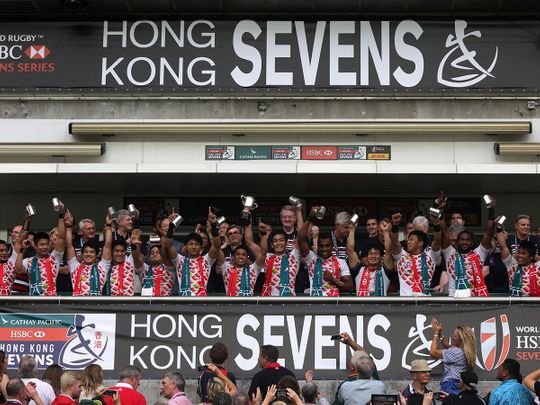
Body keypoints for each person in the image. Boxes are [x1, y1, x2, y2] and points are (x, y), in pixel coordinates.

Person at [164, 208, 222, 296]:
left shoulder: (206, 260)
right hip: (183, 302)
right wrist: (171, 226)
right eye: (190, 244)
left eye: (197, 244)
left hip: (202, 302)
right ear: (186, 247)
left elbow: (217, 246)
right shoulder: (179, 260)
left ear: (200, 247)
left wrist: (213, 225)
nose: (194, 247)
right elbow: (167, 246)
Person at [297, 208, 354, 296]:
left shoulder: (341, 262)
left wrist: (334, 280)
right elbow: (301, 239)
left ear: (332, 247)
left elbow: (350, 287)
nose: (324, 249)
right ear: (317, 246)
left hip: (334, 305)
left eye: (327, 246)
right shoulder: (312, 260)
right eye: (321, 246)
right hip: (315, 304)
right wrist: (310, 218)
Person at [441, 206, 494, 297]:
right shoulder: (450, 253)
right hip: (454, 299)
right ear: (457, 242)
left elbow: (489, 232)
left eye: (467, 240)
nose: (464, 242)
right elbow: (443, 231)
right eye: (461, 239)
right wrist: (440, 210)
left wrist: (491, 209)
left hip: (476, 298)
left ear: (472, 242)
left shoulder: (479, 253)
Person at [389, 213, 442, 296]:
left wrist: (436, 223)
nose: (408, 241)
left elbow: (438, 240)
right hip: (405, 305)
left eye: (411, 239)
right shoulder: (401, 256)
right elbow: (394, 240)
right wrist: (395, 224)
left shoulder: (431, 256)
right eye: (408, 239)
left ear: (420, 243)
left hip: (425, 304)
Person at [14, 210, 65, 296]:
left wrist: (60, 214)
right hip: (34, 302)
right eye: (41, 244)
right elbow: (18, 270)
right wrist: (22, 250)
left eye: (46, 244)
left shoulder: (54, 258)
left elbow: (61, 237)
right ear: (35, 246)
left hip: (52, 301)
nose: (45, 247)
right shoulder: (29, 261)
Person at [64, 210, 111, 296]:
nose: (88, 254)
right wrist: (69, 226)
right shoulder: (75, 266)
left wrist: (108, 226)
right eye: (85, 252)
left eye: (92, 252)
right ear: (81, 254)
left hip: (96, 306)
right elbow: (69, 245)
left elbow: (108, 245)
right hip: (76, 307)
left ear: (97, 255)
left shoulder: (102, 267)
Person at [217, 221, 268, 297]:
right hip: (230, 306)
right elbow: (216, 248)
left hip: (249, 306)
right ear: (233, 257)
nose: (240, 256)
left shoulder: (253, 268)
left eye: (243, 255)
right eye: (238, 254)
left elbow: (263, 253)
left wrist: (263, 234)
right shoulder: (226, 268)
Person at [429, 319, 476, 395]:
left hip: (450, 385)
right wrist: (440, 335)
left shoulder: (455, 352)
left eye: (454, 335)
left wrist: (435, 333)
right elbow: (448, 348)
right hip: (458, 384)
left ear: (461, 339)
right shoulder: (465, 351)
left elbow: (433, 352)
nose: (451, 336)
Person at [348, 222, 393, 296]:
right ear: (367, 256)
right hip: (361, 306)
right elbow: (350, 251)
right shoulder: (359, 270)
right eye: (370, 254)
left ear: (381, 257)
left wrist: (385, 232)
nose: (373, 256)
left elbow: (389, 251)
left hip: (381, 306)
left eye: (376, 254)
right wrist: (352, 230)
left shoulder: (385, 270)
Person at [496, 230, 540, 296]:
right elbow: (503, 247)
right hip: (514, 305)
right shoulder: (512, 265)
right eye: (519, 252)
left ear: (531, 257)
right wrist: (499, 230)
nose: (520, 255)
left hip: (535, 304)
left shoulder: (538, 267)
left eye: (523, 253)